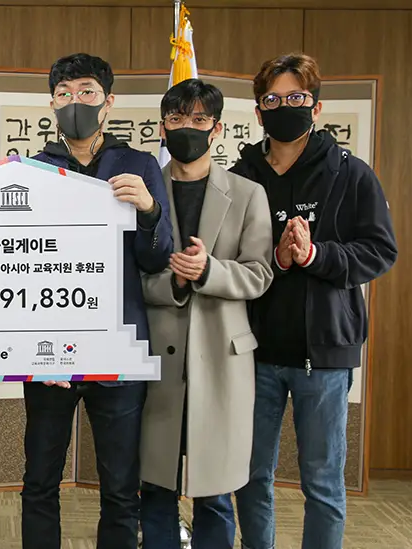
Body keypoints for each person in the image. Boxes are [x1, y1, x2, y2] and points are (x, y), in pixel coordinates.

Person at [232, 53, 397, 549]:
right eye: (273, 100)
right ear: (258, 112)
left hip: (323, 355)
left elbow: (380, 251)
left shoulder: (351, 173)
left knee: (322, 484)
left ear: (316, 107)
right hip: (253, 353)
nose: (285, 107)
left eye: (297, 97)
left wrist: (315, 255)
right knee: (250, 477)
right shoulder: (241, 176)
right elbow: (230, 259)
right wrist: (278, 259)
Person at [21, 53, 173, 549]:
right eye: (64, 93)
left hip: (118, 346)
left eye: (86, 91)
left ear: (108, 102)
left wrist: (148, 210)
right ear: (51, 103)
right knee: (39, 480)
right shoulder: (31, 170)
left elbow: (157, 258)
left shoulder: (139, 165)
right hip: (49, 350)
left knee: (121, 487)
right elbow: (15, 261)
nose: (75, 101)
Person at [137, 79, 273, 549]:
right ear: (162, 128)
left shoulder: (248, 193)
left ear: (216, 129)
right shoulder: (144, 192)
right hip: (157, 359)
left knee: (215, 491)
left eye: (198, 119)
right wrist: (174, 282)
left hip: (222, 359)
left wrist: (208, 270)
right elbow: (126, 279)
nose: (187, 128)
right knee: (155, 487)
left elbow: (259, 275)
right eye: (176, 119)